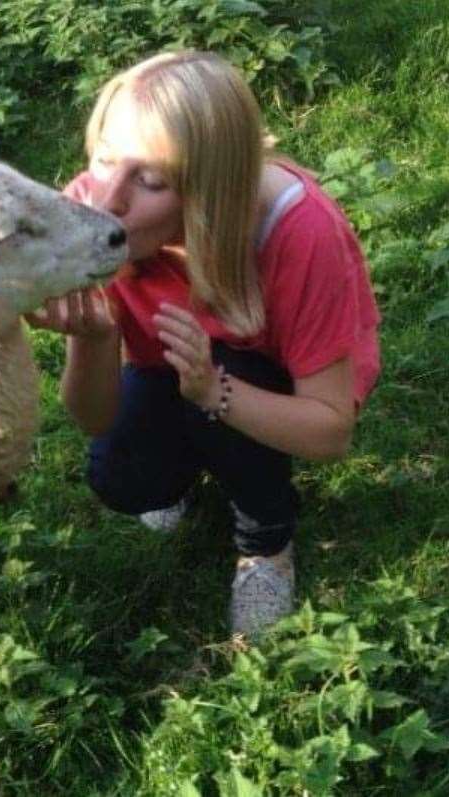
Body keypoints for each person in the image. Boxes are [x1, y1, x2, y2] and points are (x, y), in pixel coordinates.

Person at [27, 50, 381, 637]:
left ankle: (266, 539)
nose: (107, 199)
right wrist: (95, 336)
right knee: (120, 478)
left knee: (222, 396)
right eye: (105, 158)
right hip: (171, 365)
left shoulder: (300, 232)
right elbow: (91, 417)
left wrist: (212, 390)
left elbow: (330, 430)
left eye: (152, 180)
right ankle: (198, 452)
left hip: (269, 377)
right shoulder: (95, 209)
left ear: (210, 191)